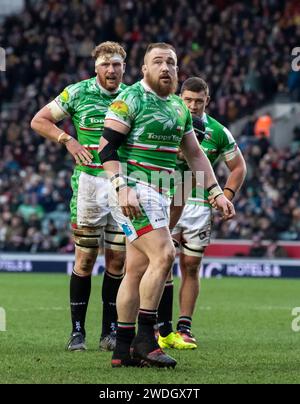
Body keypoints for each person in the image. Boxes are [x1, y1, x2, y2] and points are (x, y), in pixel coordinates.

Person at [98, 43, 235, 368]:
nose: (165, 67)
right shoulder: (129, 99)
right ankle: (148, 340)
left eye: (171, 62)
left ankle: (123, 349)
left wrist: (216, 192)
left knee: (136, 269)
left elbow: (195, 154)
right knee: (165, 254)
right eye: (157, 61)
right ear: (144, 69)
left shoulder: (178, 107)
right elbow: (105, 149)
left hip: (159, 193)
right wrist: (121, 187)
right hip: (132, 191)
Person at [31, 42, 127, 351]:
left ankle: (109, 332)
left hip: (124, 183)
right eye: (105, 65)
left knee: (117, 260)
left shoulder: (133, 97)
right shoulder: (78, 92)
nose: (111, 70)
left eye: (116, 64)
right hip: (88, 183)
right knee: (85, 259)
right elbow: (39, 120)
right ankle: (77, 332)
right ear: (96, 67)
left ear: (124, 67)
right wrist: (68, 140)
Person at [157, 77, 247, 349]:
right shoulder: (164, 122)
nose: (193, 106)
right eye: (188, 100)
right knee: (161, 264)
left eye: (199, 101)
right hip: (166, 198)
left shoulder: (218, 132)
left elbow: (239, 167)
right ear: (179, 97)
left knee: (191, 266)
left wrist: (225, 196)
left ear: (207, 100)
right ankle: (161, 328)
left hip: (199, 206)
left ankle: (184, 327)